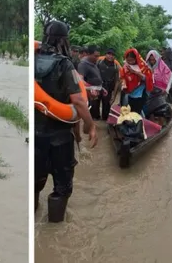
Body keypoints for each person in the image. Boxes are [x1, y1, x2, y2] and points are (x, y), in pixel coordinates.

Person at [35, 20, 97, 223]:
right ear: (64, 40)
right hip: (59, 137)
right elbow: (78, 101)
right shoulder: (64, 64)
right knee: (62, 187)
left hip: (36, 135)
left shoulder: (33, 59)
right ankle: (54, 229)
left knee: (36, 181)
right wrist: (91, 125)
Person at [120, 48, 154, 115]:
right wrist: (123, 84)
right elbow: (122, 76)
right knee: (130, 109)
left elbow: (146, 78)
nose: (130, 62)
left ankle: (139, 123)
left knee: (138, 110)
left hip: (139, 93)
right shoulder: (126, 66)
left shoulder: (143, 66)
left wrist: (134, 72)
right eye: (128, 60)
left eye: (132, 60)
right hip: (130, 92)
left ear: (136, 59)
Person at [77, 45, 105, 120]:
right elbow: (80, 80)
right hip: (89, 93)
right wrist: (90, 88)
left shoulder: (93, 62)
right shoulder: (83, 64)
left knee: (95, 111)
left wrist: (101, 88)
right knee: (89, 113)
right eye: (95, 56)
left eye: (98, 56)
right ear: (88, 54)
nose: (97, 58)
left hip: (96, 91)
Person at [97, 48, 121, 120]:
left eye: (112, 55)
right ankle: (96, 118)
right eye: (109, 54)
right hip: (98, 85)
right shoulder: (99, 62)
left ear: (114, 56)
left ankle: (105, 118)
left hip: (109, 87)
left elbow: (117, 80)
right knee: (95, 103)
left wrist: (114, 94)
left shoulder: (116, 66)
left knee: (107, 105)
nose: (110, 56)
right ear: (105, 54)